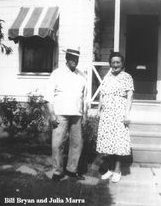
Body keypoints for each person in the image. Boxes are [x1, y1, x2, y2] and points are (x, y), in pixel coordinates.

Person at [44, 48, 87, 182]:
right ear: (67, 59)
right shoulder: (56, 74)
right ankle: (57, 171)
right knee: (57, 144)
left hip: (77, 115)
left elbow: (85, 98)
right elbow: (48, 97)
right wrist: (51, 114)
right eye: (72, 59)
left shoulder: (81, 76)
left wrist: (84, 114)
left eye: (77, 59)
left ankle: (71, 169)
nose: (75, 61)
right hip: (60, 114)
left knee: (77, 143)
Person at [96, 51, 134, 183]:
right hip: (107, 113)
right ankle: (110, 169)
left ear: (122, 64)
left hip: (119, 112)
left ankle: (117, 170)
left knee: (118, 141)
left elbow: (129, 96)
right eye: (113, 62)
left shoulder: (127, 77)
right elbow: (102, 94)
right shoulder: (107, 77)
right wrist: (99, 109)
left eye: (118, 62)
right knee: (108, 141)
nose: (115, 64)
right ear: (110, 64)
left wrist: (127, 113)